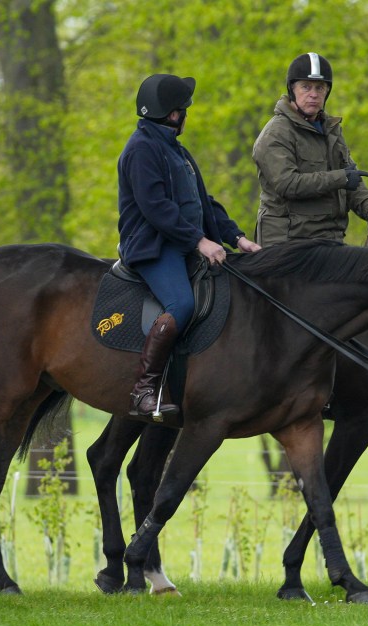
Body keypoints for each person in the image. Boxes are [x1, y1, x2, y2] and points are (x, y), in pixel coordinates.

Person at [118, 73, 261, 420]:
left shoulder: (175, 150)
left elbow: (203, 202)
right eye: (184, 110)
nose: (186, 115)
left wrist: (237, 237)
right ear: (172, 115)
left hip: (182, 242)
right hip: (154, 246)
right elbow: (156, 208)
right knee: (181, 304)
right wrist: (199, 241)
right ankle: (144, 390)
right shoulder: (140, 150)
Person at [252, 52, 368, 247]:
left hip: (329, 239)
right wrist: (341, 178)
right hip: (288, 242)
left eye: (320, 88)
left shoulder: (331, 130)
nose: (313, 94)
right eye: (306, 87)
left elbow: (351, 177)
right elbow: (288, 184)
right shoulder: (276, 133)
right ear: (292, 90)